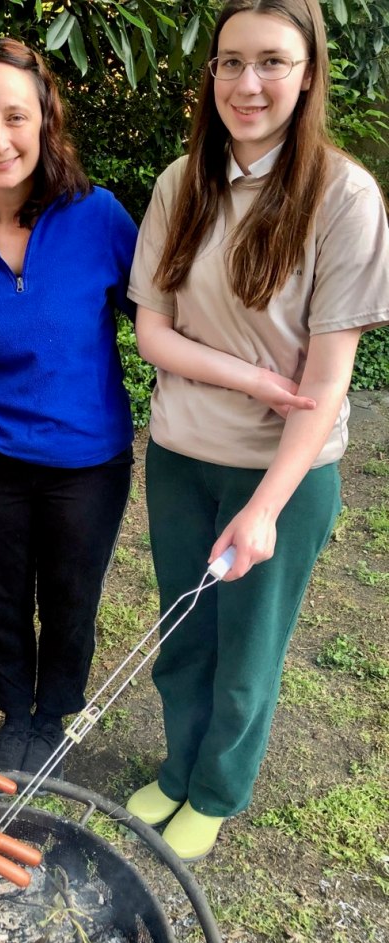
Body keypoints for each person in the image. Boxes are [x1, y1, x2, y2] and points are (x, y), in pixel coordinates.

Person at [127, 0, 389, 860]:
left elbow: (328, 378)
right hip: (179, 455)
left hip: (283, 471)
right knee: (183, 634)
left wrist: (267, 508)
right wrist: (250, 377)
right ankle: (177, 768)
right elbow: (153, 332)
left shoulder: (344, 196)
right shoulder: (181, 182)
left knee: (247, 651)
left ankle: (216, 788)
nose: (248, 83)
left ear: (308, 74)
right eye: (231, 62)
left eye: (272, 62)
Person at [0, 39, 138, 783]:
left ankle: (53, 717)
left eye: (15, 116)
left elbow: (163, 320)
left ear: (45, 121)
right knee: (2, 597)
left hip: (88, 459)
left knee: (72, 598)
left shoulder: (100, 218)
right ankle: (16, 714)